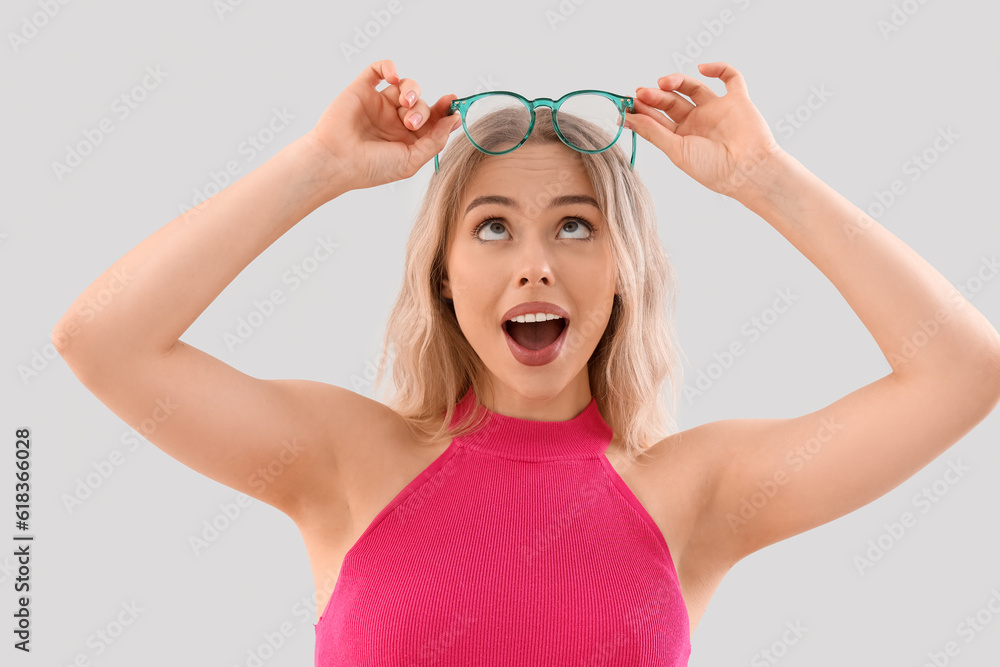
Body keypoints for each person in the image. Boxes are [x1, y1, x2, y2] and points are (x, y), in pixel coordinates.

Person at [52, 59, 1000, 665]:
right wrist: (320, 166)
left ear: (621, 274)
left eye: (576, 226)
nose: (535, 261)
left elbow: (962, 372)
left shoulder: (698, 491)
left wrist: (766, 178)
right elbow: (102, 339)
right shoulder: (345, 460)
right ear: (444, 274)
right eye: (493, 226)